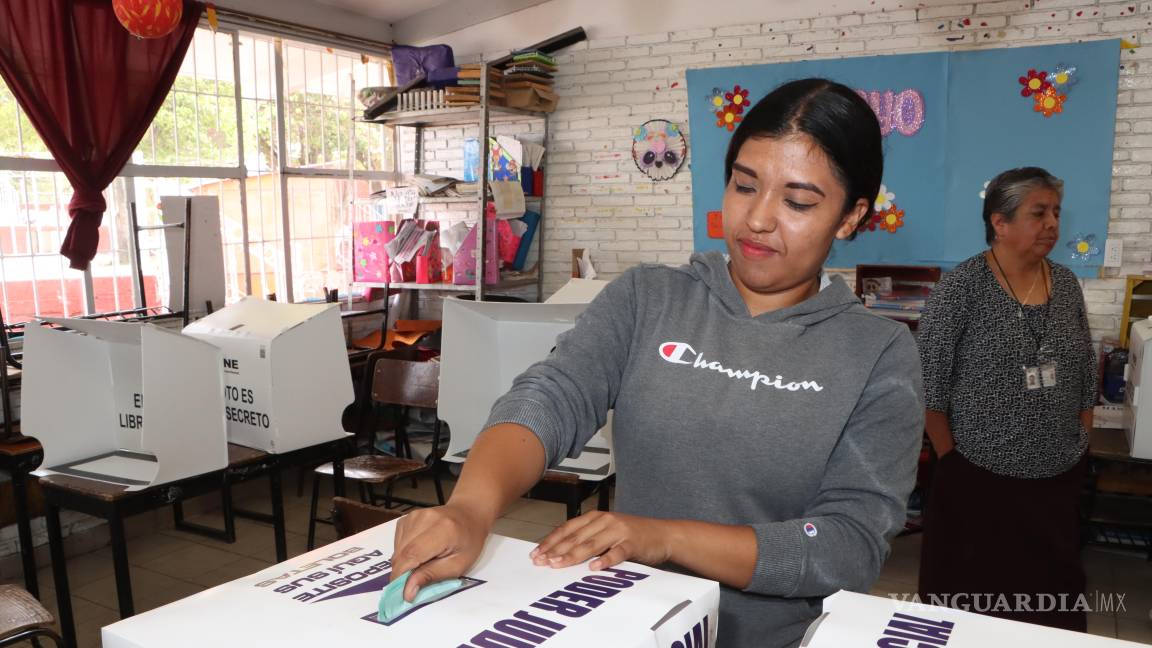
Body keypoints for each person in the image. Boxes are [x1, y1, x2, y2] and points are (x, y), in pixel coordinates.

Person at [391, 78, 925, 648]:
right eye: (744, 186)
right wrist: (471, 508)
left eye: (797, 202)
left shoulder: (878, 355)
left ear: (850, 216)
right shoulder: (649, 298)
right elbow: (551, 395)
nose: (758, 219)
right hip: (629, 625)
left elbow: (847, 543)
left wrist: (664, 537)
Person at [917, 167, 1097, 632]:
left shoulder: (1066, 284)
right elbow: (927, 383)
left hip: (1057, 474)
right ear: (1000, 222)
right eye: (1039, 213)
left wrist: (1081, 438)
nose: (1052, 224)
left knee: (1049, 604)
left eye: (1055, 212)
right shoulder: (962, 289)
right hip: (979, 478)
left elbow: (1083, 369)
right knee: (974, 603)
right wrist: (951, 460)